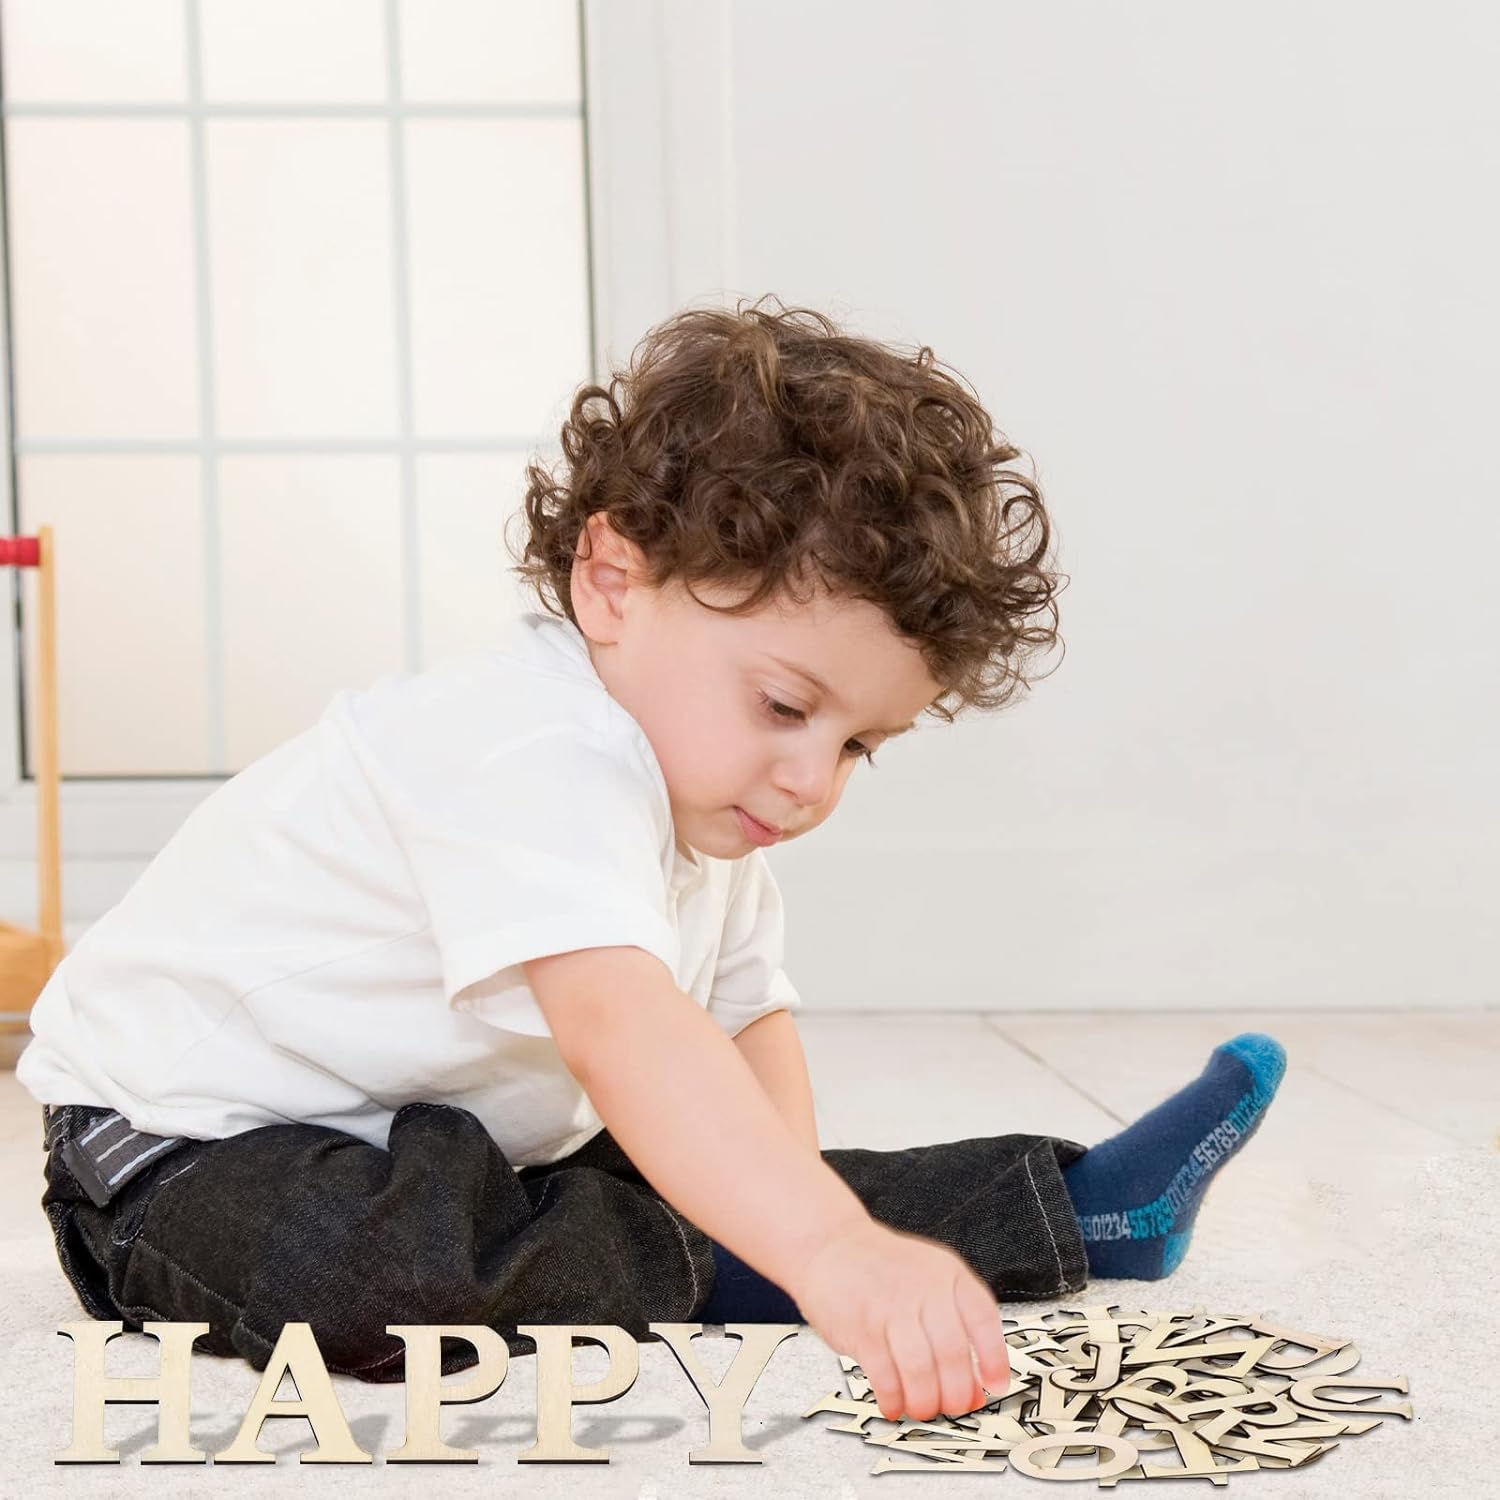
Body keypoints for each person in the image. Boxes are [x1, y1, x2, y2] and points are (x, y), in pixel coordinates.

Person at [18, 298, 1286, 1426]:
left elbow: (742, 1028)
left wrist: (800, 1222)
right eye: (788, 708)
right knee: (383, 1291)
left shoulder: (711, 804)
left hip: (448, 1148)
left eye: (862, 745)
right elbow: (627, 1030)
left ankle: (1083, 1208)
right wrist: (819, 1248)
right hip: (176, 1156)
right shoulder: (531, 745)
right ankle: (734, 1252)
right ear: (613, 580)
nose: (811, 778)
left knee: (741, 1183)